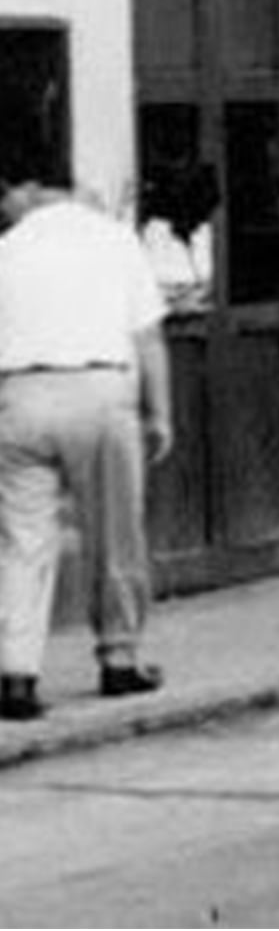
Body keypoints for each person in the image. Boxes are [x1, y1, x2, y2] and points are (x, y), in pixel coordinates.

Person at [0, 145, 173, 720]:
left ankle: (17, 673)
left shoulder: (7, 248)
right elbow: (148, 337)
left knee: (22, 543)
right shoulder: (114, 239)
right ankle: (119, 659)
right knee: (115, 535)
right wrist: (161, 413)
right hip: (100, 396)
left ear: (28, 189)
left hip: (20, 398)